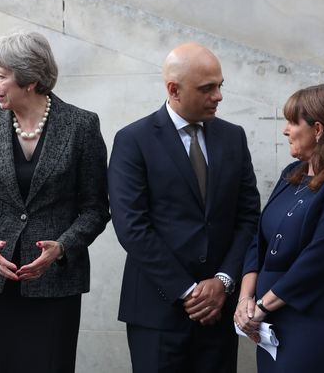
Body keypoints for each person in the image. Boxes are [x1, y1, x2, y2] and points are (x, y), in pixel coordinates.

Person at [0, 31, 110, 373]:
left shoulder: (81, 125)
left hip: (52, 284)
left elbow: (96, 208)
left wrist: (63, 247)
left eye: (0, 75)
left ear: (31, 79)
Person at [108, 43, 261, 372]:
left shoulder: (233, 137)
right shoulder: (134, 139)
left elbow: (248, 218)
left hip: (219, 311)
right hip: (157, 310)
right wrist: (189, 291)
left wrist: (223, 282)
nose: (218, 96)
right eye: (207, 88)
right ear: (173, 89)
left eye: (220, 85)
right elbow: (131, 226)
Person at [234, 83, 324, 372]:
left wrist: (261, 307)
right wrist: (245, 299)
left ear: (318, 129)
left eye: (293, 122)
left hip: (311, 322)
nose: (285, 130)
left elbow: (320, 258)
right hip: (268, 325)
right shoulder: (290, 174)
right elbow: (259, 241)